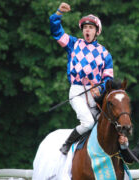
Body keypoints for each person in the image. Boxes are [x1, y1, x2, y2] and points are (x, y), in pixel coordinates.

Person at [49, 2, 113, 155]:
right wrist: (58, 14)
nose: (87, 30)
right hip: (77, 90)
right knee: (88, 122)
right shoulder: (73, 44)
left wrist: (102, 88)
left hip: (94, 94)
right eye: (85, 28)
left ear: (97, 31)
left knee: (108, 124)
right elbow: (56, 32)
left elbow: (108, 78)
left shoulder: (105, 53)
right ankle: (67, 143)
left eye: (90, 27)